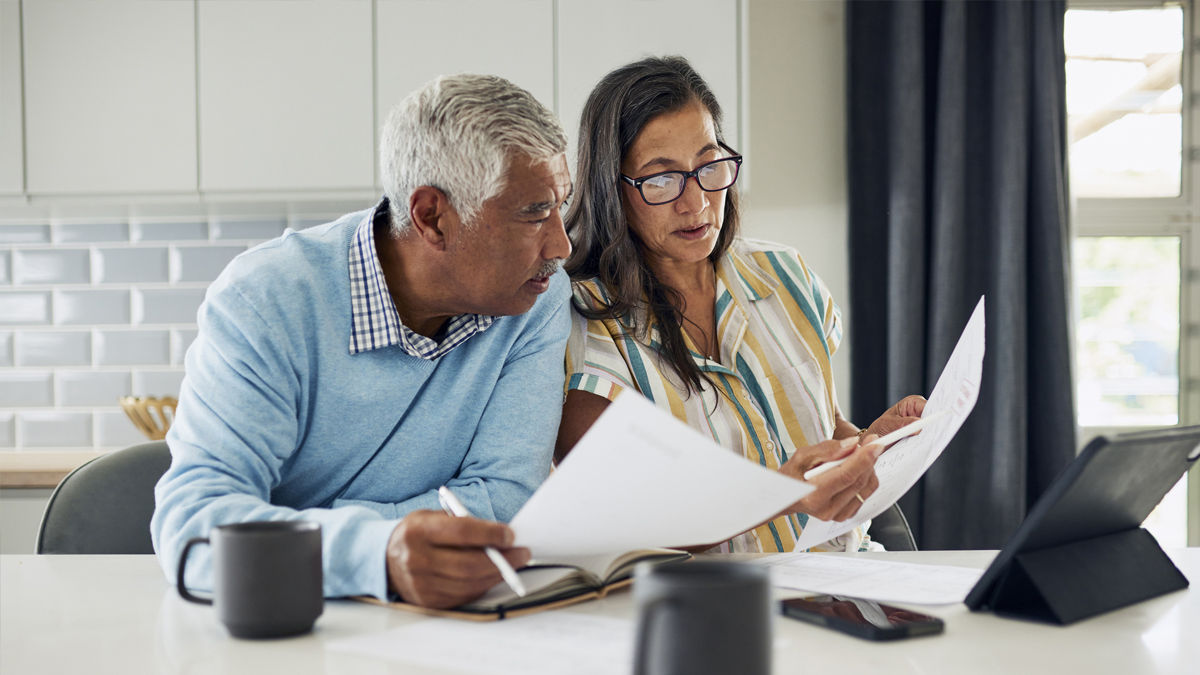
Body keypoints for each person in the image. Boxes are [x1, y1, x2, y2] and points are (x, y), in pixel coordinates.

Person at [152, 74, 573, 610]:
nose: (560, 243)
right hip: (284, 624)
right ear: (432, 218)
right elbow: (196, 526)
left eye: (561, 205)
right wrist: (378, 553)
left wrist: (312, 538)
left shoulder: (536, 296)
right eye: (534, 213)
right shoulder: (266, 300)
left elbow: (506, 503)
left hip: (444, 626)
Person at [557, 56, 925, 553]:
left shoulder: (785, 275)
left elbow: (823, 423)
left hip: (850, 581)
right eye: (661, 180)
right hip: (715, 610)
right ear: (612, 189)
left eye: (709, 166)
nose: (696, 203)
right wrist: (782, 496)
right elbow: (624, 520)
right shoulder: (579, 328)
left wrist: (868, 444)